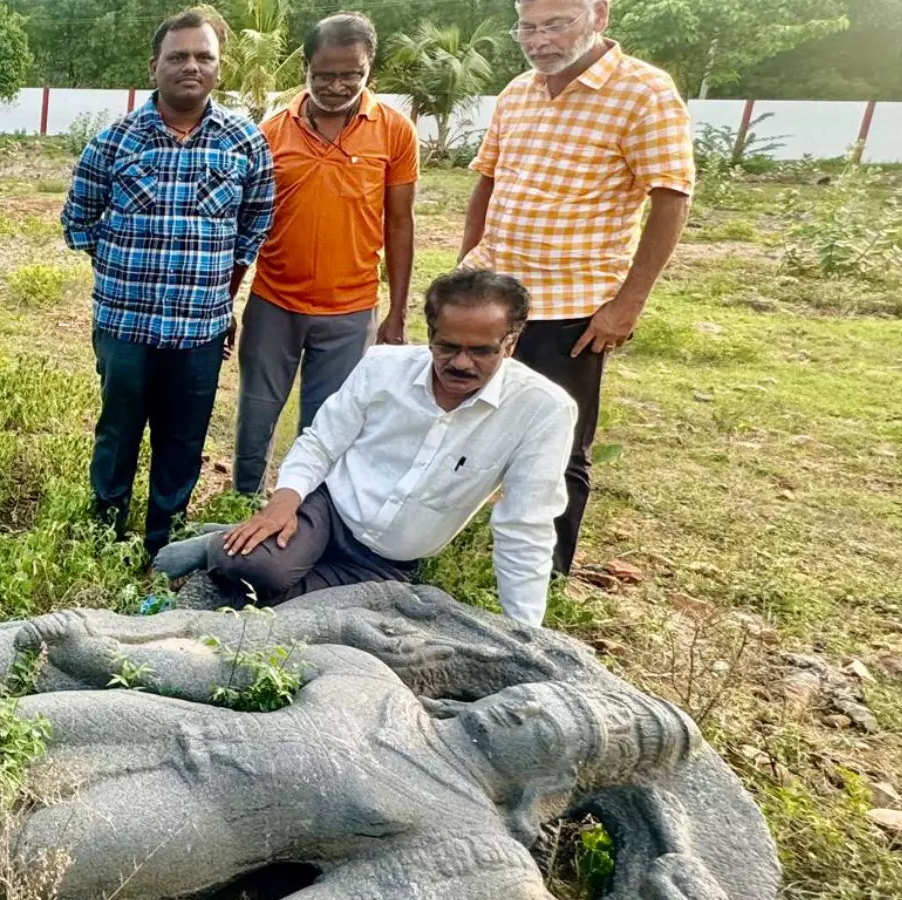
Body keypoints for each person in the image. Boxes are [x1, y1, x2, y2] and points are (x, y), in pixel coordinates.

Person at [156, 269, 578, 626]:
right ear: (430, 334)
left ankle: (240, 550)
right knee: (254, 569)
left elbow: (526, 526)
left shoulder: (542, 410)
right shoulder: (383, 367)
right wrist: (284, 502)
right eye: (448, 346)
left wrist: (524, 634)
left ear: (511, 342)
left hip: (388, 562)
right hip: (328, 512)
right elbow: (321, 441)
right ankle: (225, 548)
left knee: (304, 619)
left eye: (482, 351)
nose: (462, 363)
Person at [460, 0, 695, 576]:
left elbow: (671, 197)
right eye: (528, 27)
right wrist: (466, 265)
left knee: (557, 443)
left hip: (572, 306)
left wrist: (628, 303)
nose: (539, 40)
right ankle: (462, 543)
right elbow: (488, 182)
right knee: (471, 420)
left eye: (555, 23)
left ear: (599, 15)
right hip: (493, 297)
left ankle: (545, 573)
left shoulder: (644, 91)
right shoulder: (518, 92)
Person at [61, 8, 276, 558]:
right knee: (117, 433)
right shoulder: (114, 142)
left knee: (182, 442)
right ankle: (103, 536)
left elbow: (254, 223)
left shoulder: (244, 143)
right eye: (178, 56)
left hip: (200, 328)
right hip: (124, 324)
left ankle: (164, 543)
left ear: (218, 69)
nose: (191, 66)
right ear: (154, 65)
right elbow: (78, 221)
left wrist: (216, 284)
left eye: (204, 57)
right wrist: (126, 267)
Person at [232, 12, 419, 496]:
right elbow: (245, 225)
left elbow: (399, 222)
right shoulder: (271, 131)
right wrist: (226, 301)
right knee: (256, 412)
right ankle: (244, 499)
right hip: (274, 301)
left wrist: (396, 312)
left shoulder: (395, 132)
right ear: (306, 69)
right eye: (324, 75)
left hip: (350, 309)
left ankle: (305, 507)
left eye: (350, 74)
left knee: (327, 421)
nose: (336, 86)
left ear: (369, 68)